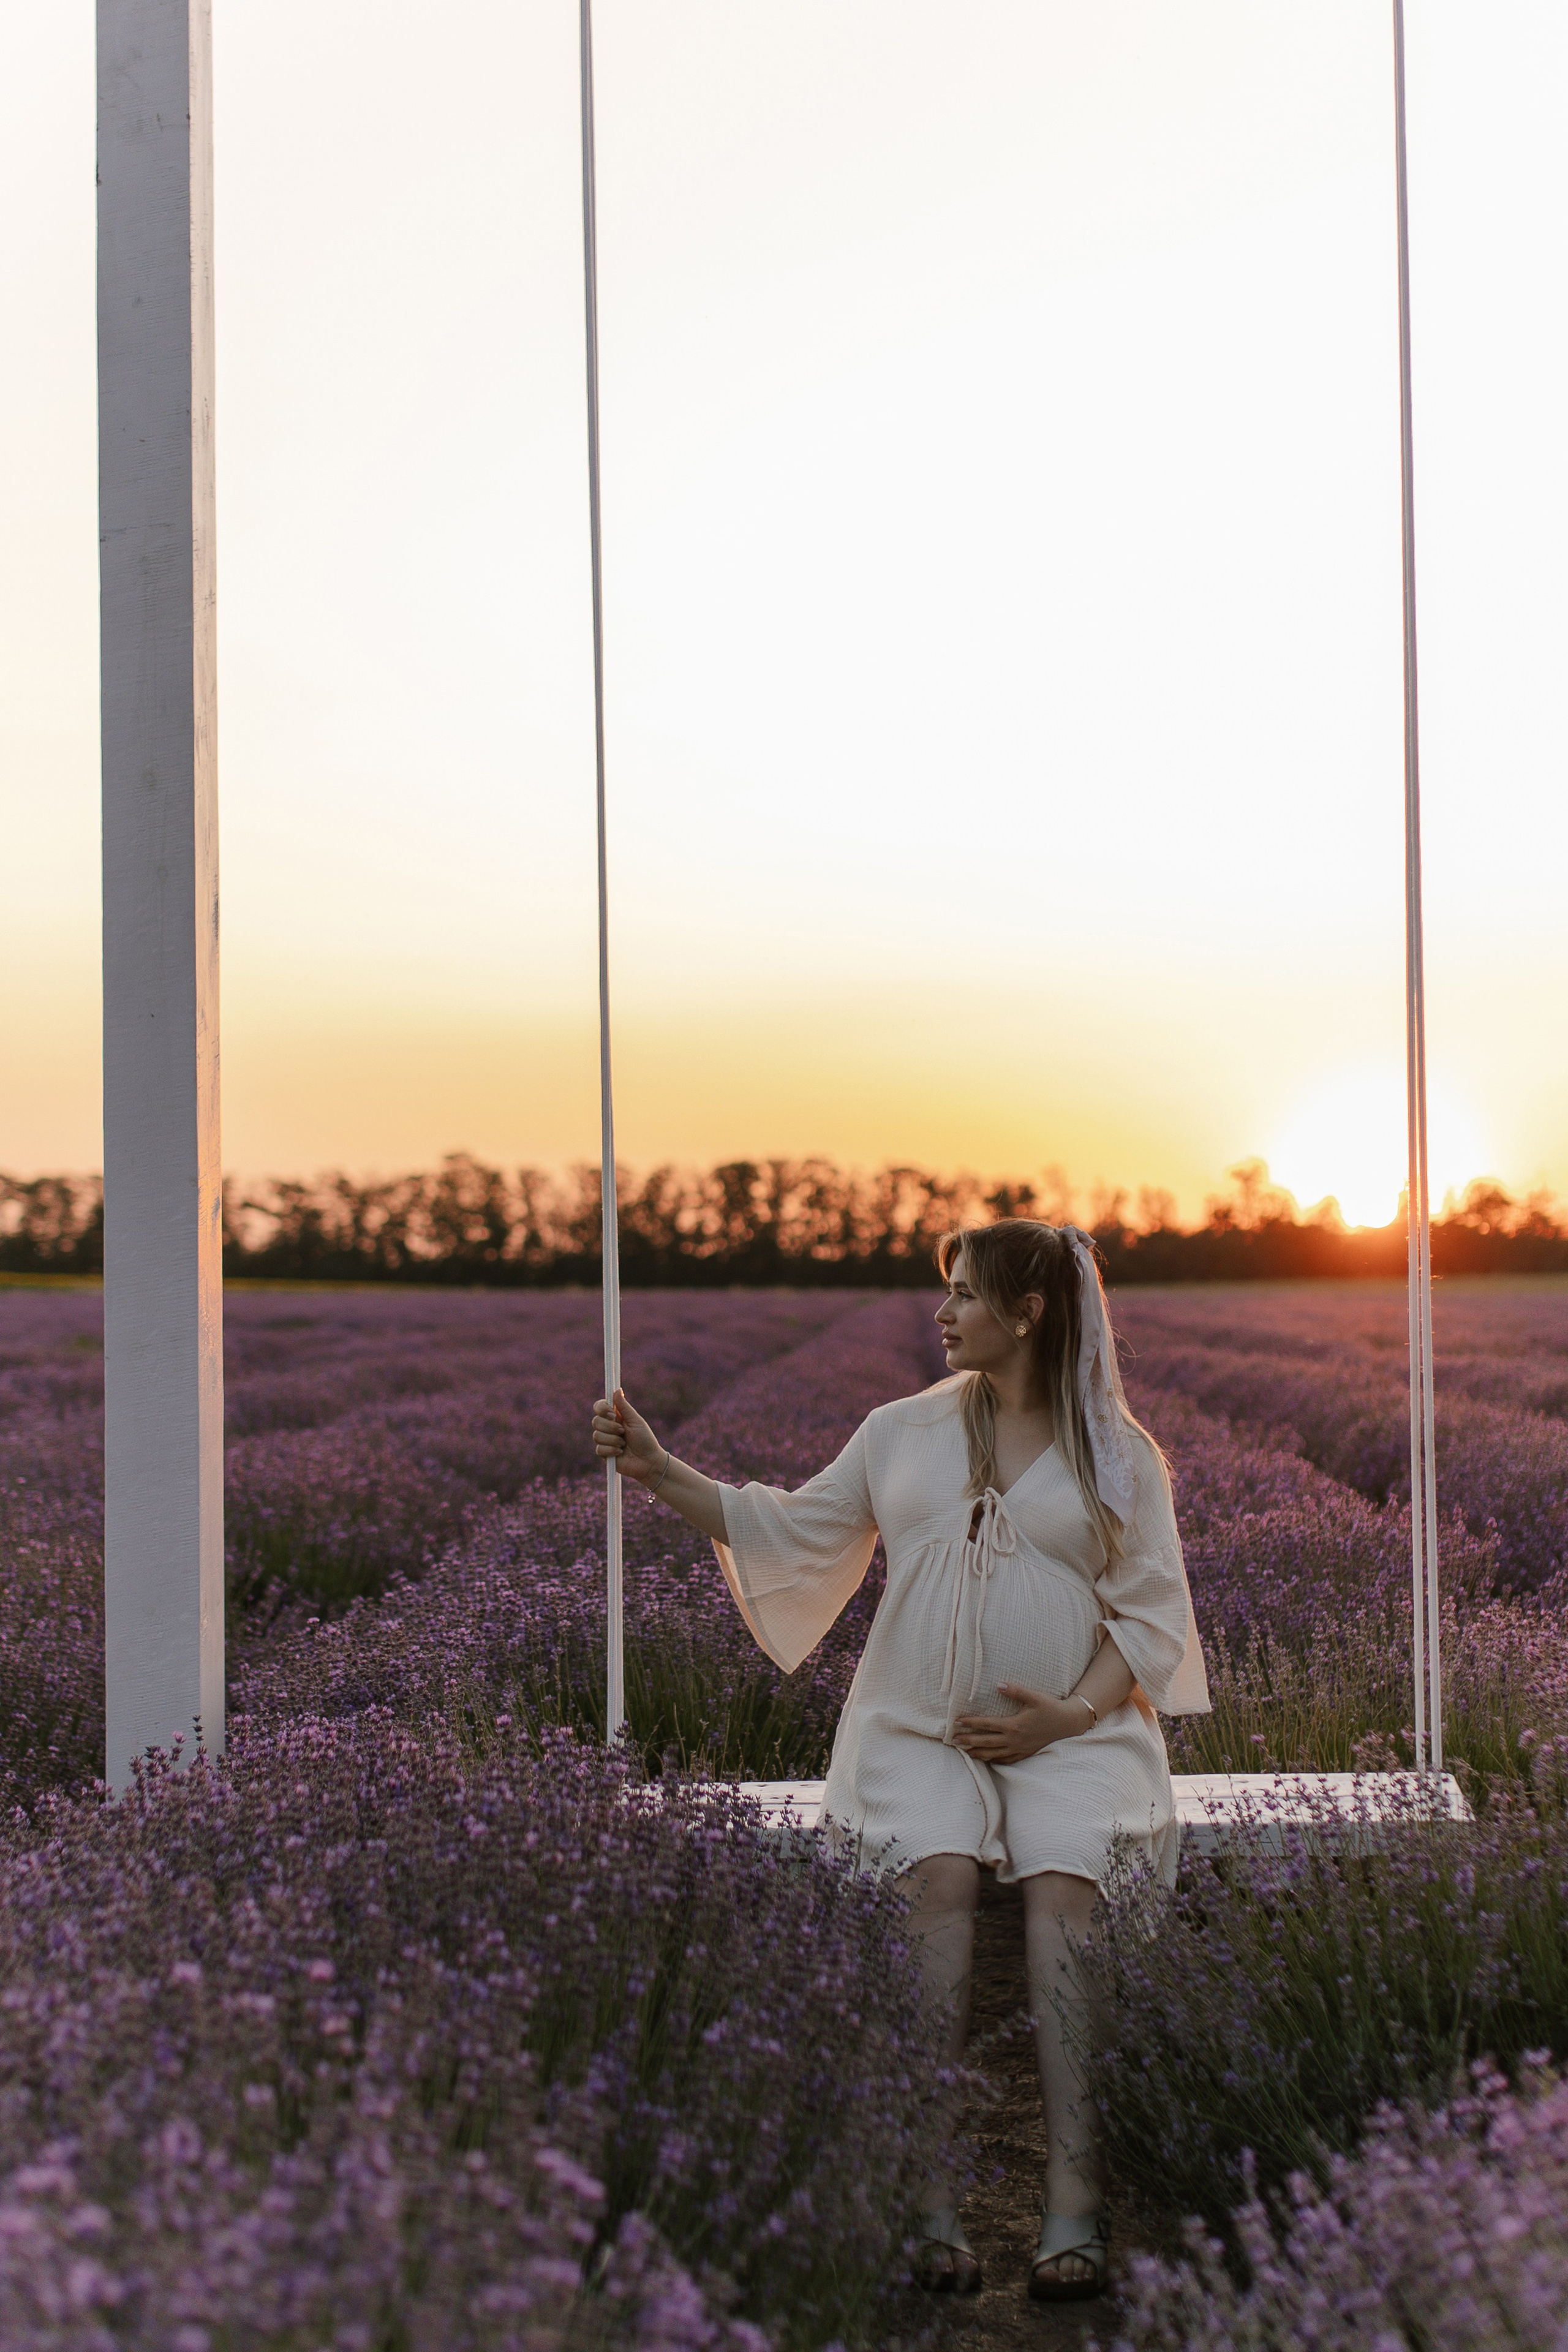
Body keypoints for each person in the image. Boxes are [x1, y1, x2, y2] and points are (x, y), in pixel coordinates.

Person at [591, 1218, 1208, 2304]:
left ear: (1030, 1312)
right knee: (938, 1875)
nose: (942, 1311)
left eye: (966, 1294)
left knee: (1070, 1882)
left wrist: (1062, 1718)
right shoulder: (899, 1431)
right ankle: (928, 2190)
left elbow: (1150, 1620)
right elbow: (785, 1527)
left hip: (1075, 1733)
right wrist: (656, 1468)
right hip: (915, 1728)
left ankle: (1075, 2196)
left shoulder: (1120, 1453)